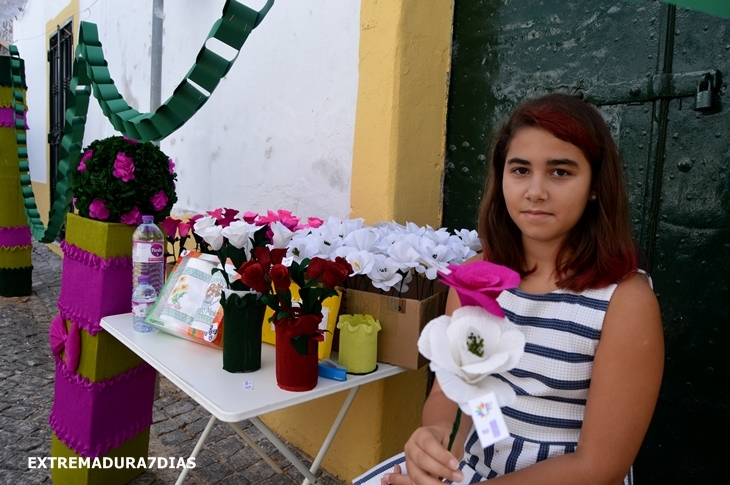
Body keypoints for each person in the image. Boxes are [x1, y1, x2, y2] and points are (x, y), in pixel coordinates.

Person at [352, 93, 664, 485]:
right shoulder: (478, 278)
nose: (535, 191)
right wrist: (436, 446)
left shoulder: (624, 301)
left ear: (596, 186)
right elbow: (458, 396)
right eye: (520, 170)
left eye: (560, 172)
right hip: (478, 461)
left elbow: (598, 466)